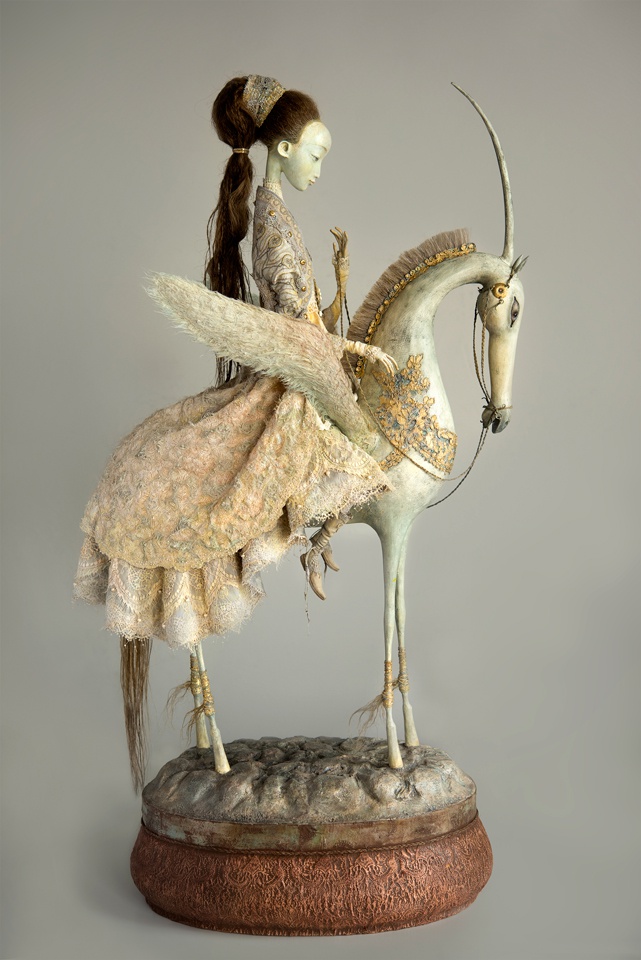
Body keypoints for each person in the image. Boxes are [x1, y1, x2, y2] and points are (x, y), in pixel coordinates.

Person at [74, 75, 394, 651]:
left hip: (305, 360)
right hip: (288, 380)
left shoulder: (277, 214)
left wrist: (340, 287)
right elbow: (294, 323)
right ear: (285, 149)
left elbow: (305, 316)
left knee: (368, 447)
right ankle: (314, 543)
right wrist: (349, 346)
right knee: (366, 449)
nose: (320, 169)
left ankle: (318, 541)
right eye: (317, 154)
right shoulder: (271, 222)